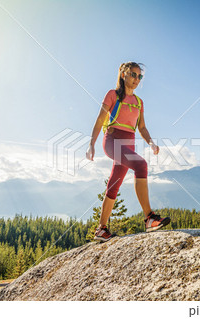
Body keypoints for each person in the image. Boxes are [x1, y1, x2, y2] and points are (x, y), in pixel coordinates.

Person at [86, 62, 170, 242]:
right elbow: (100, 119)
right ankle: (149, 218)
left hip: (128, 145)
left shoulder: (139, 102)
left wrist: (151, 143)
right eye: (133, 74)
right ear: (123, 74)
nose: (136, 80)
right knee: (141, 165)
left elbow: (142, 127)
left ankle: (101, 230)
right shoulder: (112, 95)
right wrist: (91, 144)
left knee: (114, 183)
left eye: (140, 76)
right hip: (113, 141)